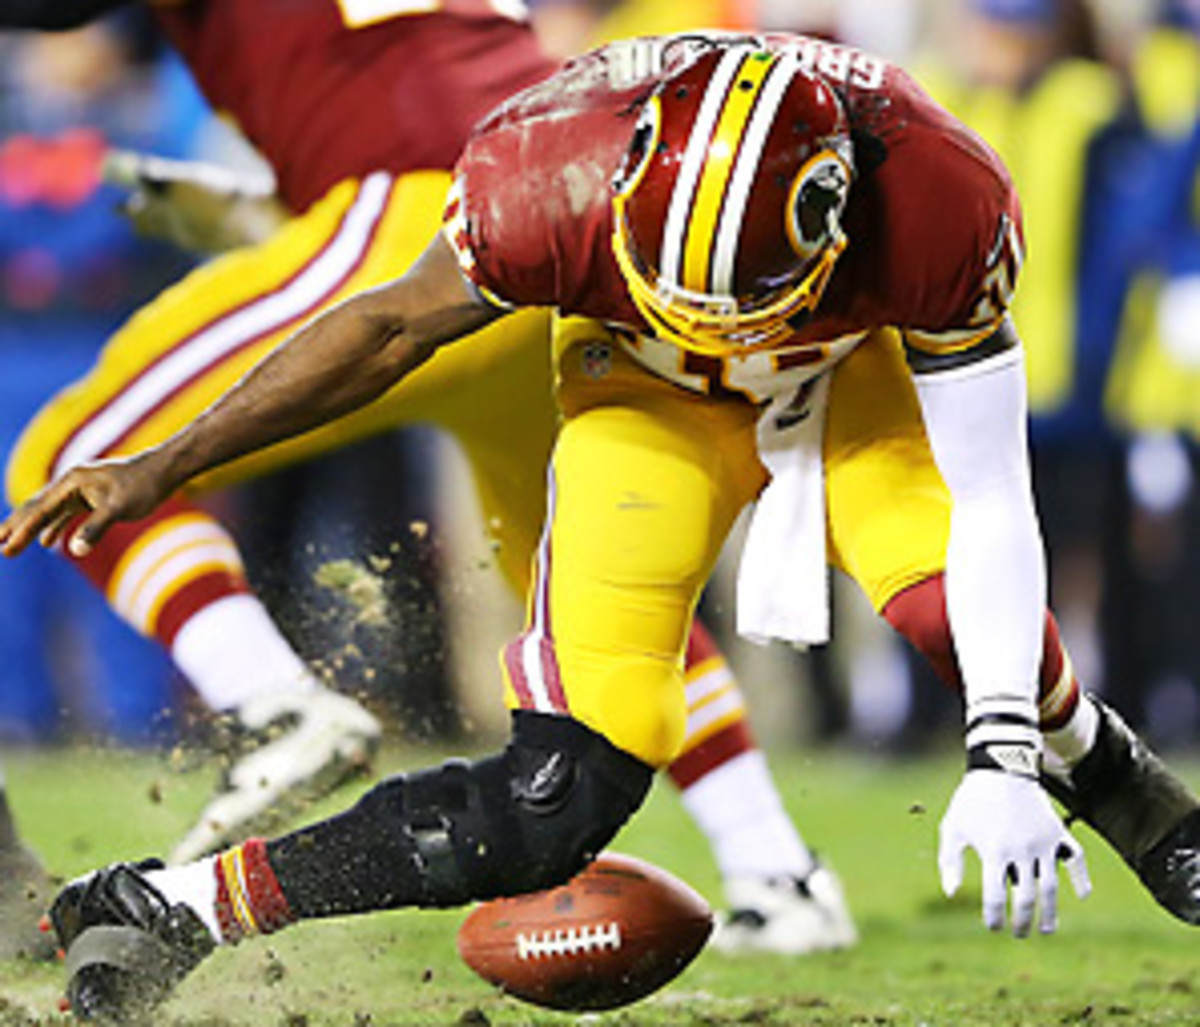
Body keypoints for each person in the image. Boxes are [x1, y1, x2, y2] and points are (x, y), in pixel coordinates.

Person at [4, 29, 1199, 1018]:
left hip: (854, 374)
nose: (720, 320)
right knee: (549, 804)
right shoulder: (541, 173)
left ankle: (1124, 788)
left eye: (741, 299)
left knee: (963, 619)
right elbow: (382, 330)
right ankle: (176, 907)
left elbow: (995, 494)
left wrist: (1000, 751)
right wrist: (167, 460)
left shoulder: (940, 194)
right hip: (645, 392)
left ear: (832, 213)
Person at [0, 0, 851, 957]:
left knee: (68, 460)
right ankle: (776, 872)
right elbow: (412, 67)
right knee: (599, 585)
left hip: (419, 223)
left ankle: (276, 702)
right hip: (565, 221)